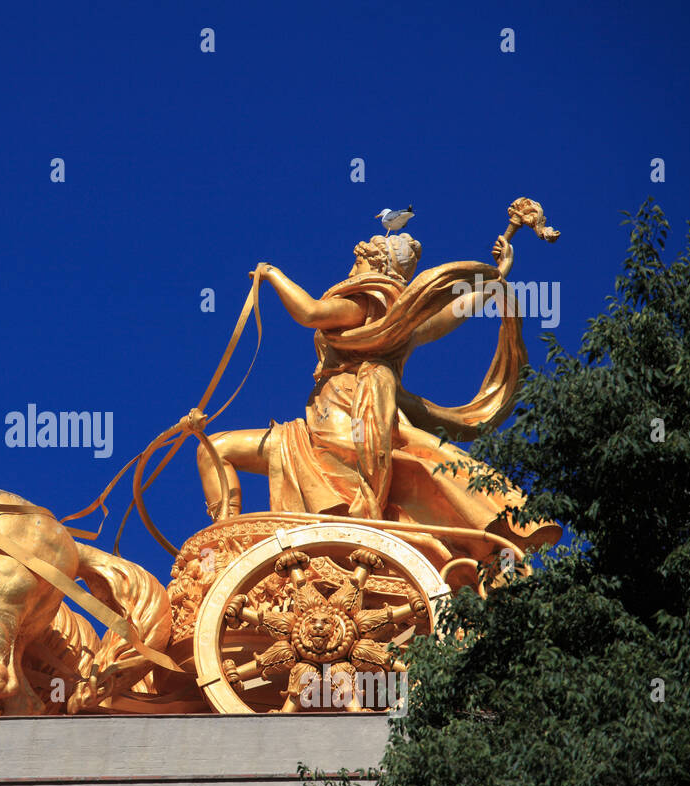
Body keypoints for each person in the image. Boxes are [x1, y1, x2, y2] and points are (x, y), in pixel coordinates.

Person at [197, 231, 559, 565]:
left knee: (216, 449)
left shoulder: (362, 309)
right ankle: (225, 544)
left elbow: (309, 313)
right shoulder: (401, 326)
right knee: (214, 449)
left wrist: (272, 274)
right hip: (336, 424)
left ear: (375, 266)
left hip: (341, 424)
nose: (352, 268)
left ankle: (224, 548)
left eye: (358, 261)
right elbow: (450, 316)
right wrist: (496, 276)